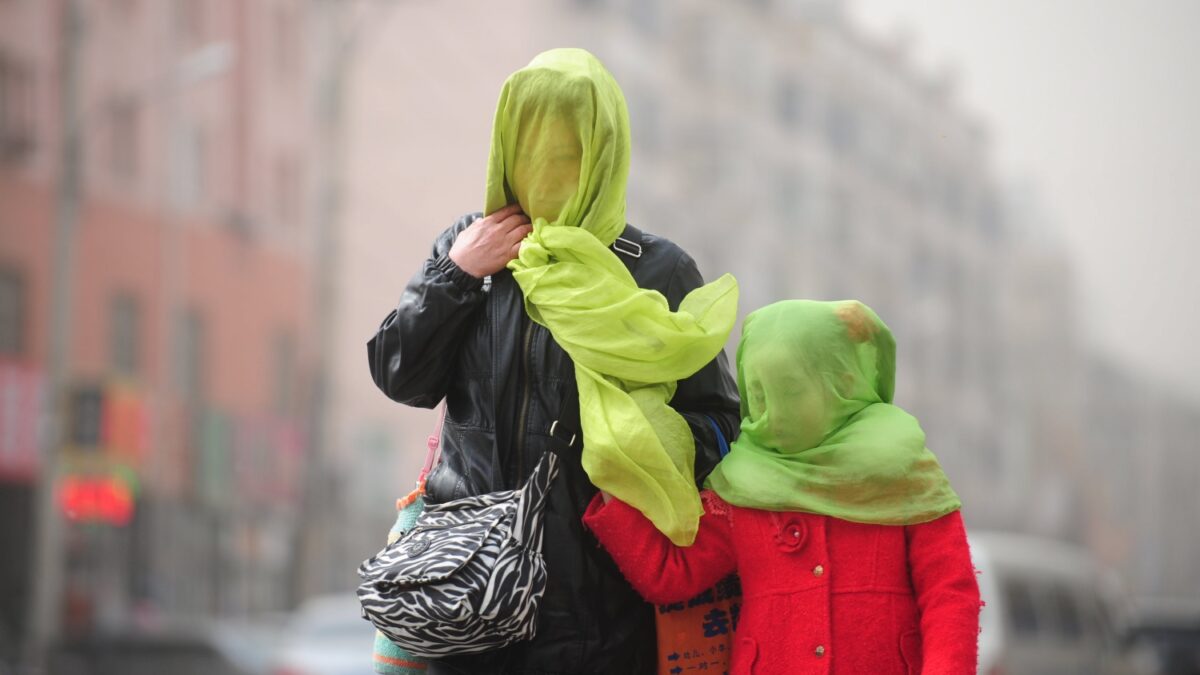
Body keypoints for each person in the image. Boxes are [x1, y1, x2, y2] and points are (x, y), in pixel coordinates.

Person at [367, 48, 740, 674]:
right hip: (470, 601)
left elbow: (721, 424)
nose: (545, 161)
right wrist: (456, 273)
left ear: (604, 148)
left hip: (602, 614)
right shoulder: (471, 250)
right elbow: (399, 375)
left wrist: (638, 446)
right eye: (531, 136)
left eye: (568, 142)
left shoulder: (655, 271)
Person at [584, 300, 981, 675]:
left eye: (788, 389)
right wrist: (615, 478)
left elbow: (949, 591)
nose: (771, 410)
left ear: (841, 380)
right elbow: (673, 574)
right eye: (758, 393)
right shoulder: (743, 482)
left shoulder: (901, 468)